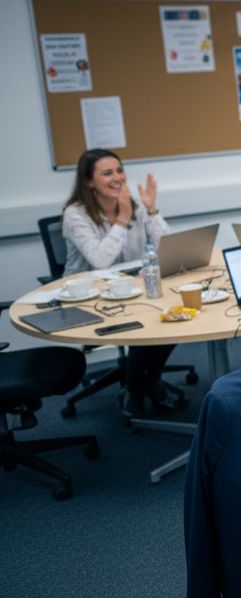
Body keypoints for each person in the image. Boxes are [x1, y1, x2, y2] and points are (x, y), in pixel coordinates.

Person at [61, 148, 179, 417]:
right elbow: (100, 261)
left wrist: (151, 210)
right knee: (145, 324)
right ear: (89, 181)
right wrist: (123, 219)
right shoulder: (75, 214)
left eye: (119, 170)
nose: (117, 178)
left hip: (133, 286)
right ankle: (139, 389)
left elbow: (165, 246)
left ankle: (146, 382)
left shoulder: (135, 203)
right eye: (107, 173)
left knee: (175, 315)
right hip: (90, 295)